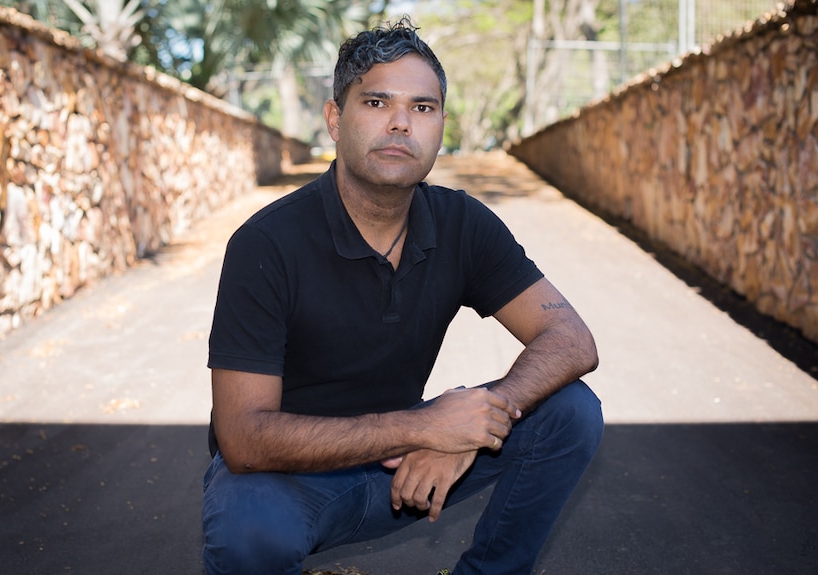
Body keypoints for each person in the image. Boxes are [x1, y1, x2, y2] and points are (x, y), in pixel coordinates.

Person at [202, 16, 603, 575]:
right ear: (335, 119)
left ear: (440, 124)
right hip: (289, 480)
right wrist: (424, 427)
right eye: (376, 103)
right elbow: (243, 438)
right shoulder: (266, 244)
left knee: (571, 411)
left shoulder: (463, 223)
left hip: (403, 470)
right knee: (248, 534)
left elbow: (572, 339)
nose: (400, 124)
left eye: (422, 107)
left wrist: (482, 422)